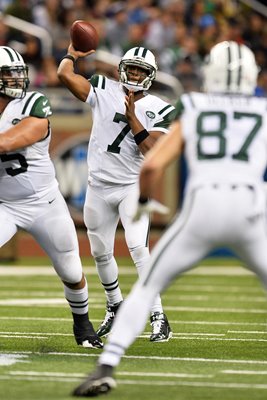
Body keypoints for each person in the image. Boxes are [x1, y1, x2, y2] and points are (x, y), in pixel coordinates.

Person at [72, 40, 267, 397]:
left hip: (202, 208)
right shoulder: (263, 110)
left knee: (146, 283)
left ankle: (107, 364)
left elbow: (155, 162)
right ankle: (145, 319)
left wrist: (144, 199)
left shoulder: (193, 104)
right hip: (252, 209)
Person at [57, 45, 176, 342]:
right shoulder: (102, 86)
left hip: (130, 187)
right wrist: (73, 54)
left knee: (138, 248)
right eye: (130, 68)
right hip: (98, 186)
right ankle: (114, 305)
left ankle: (158, 315)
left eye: (140, 70)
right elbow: (63, 74)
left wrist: (133, 117)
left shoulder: (161, 107)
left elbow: (154, 151)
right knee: (100, 252)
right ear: (122, 68)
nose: (134, 74)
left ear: (150, 76)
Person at [0, 45, 102, 350]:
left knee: (71, 270)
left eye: (18, 74)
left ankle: (82, 325)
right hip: (4, 205)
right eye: (8, 75)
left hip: (44, 203)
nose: (17, 80)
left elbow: (11, 141)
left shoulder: (34, 103)